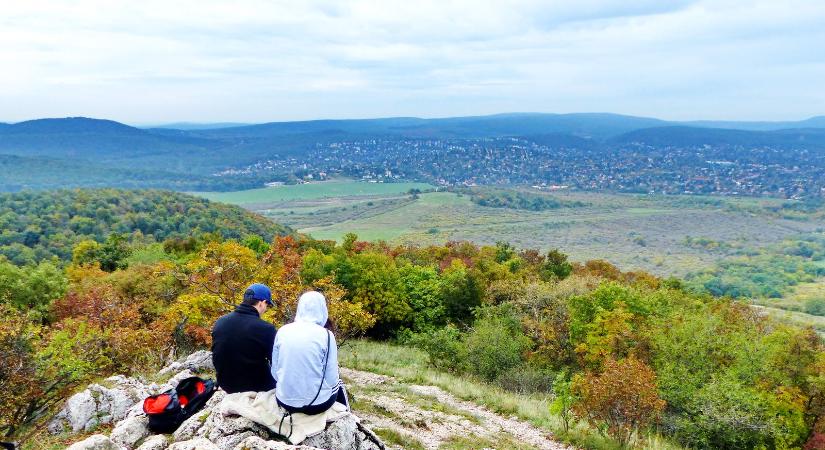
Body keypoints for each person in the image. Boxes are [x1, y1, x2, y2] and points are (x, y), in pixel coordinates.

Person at [271, 291, 349, 415]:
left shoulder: (282, 331)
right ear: (323, 309)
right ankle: (347, 415)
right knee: (339, 384)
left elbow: (275, 373)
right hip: (317, 405)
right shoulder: (327, 335)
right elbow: (332, 379)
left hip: (284, 401)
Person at [211, 283, 277, 394]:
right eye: (267, 305)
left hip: (226, 384)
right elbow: (276, 361)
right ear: (262, 303)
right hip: (255, 386)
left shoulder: (220, 322)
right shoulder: (265, 328)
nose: (266, 309)